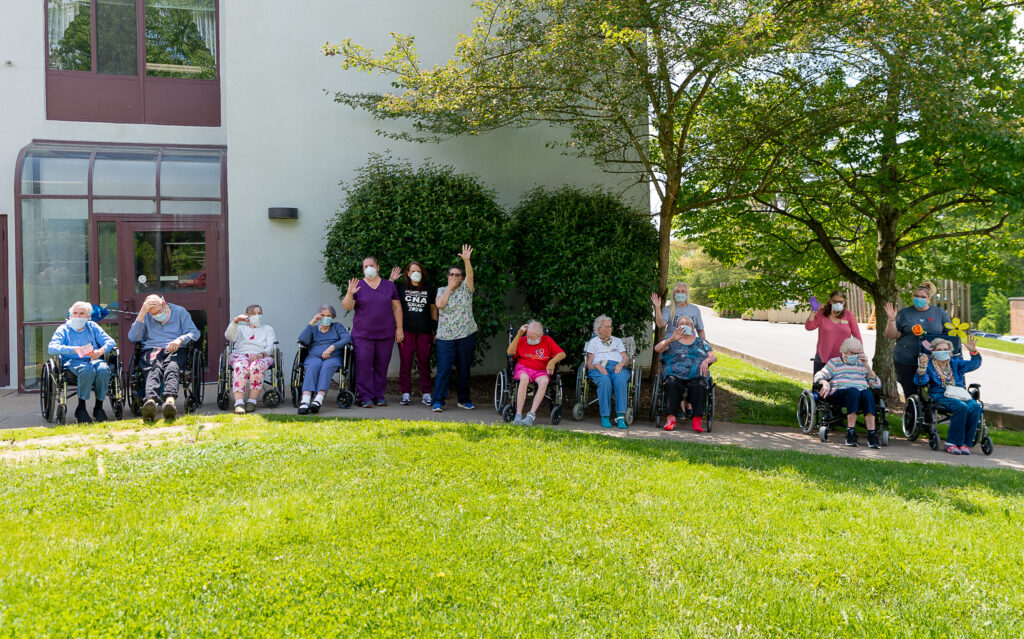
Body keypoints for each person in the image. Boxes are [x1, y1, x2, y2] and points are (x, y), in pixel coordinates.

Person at [127, 294, 201, 423]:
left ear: (164, 303)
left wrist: (180, 339)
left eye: (158, 312)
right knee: (153, 368)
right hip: (153, 348)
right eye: (152, 314)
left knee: (172, 367)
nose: (156, 316)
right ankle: (150, 401)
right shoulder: (145, 315)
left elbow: (194, 332)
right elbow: (133, 337)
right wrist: (142, 314)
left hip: (175, 348)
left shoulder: (179, 312)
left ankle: (170, 401)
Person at [342, 256, 402, 408]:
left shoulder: (389, 286)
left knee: (382, 366)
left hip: (386, 334)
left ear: (378, 267)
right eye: (365, 266)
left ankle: (379, 396)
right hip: (363, 335)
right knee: (364, 366)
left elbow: (397, 308)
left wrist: (399, 328)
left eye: (371, 265)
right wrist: (349, 293)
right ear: (362, 270)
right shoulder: (358, 286)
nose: (368, 268)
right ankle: (365, 397)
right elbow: (347, 306)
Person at [47, 301, 117, 423]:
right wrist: (74, 349)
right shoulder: (63, 329)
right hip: (72, 362)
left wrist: (99, 352)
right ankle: (81, 407)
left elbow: (110, 342)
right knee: (86, 370)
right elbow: (52, 347)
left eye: (82, 313)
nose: (78, 316)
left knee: (103, 370)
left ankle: (99, 407)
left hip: (93, 359)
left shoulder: (92, 327)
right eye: (75, 313)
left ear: (88, 317)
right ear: (70, 315)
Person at [914, 337, 983, 455]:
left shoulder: (955, 363)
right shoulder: (929, 364)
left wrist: (973, 352)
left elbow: (974, 364)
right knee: (961, 407)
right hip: (940, 393)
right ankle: (951, 443)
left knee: (976, 407)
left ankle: (964, 443)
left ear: (950, 351)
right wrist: (922, 370)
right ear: (933, 352)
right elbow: (921, 382)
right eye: (939, 349)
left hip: (959, 393)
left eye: (945, 349)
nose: (942, 351)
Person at [884, 281, 951, 399]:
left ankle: (928, 416)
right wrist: (891, 319)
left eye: (923, 297)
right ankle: (911, 414)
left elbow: (949, 335)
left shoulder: (939, 313)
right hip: (906, 359)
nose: (919, 298)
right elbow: (893, 335)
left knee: (929, 393)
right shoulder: (904, 313)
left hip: (932, 361)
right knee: (911, 393)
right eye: (916, 296)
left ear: (929, 298)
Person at [813, 337, 882, 448]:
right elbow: (819, 375)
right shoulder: (834, 362)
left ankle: (872, 434)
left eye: (859, 353)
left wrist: (867, 366)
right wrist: (824, 382)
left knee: (868, 393)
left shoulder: (861, 364)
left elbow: (876, 385)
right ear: (845, 352)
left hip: (860, 393)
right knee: (853, 392)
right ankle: (850, 432)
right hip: (840, 393)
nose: (857, 356)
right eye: (854, 353)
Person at [432, 245, 478, 412]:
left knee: (464, 369)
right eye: (451, 274)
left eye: (457, 275)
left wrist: (467, 261)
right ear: (447, 277)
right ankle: (438, 401)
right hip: (445, 337)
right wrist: (450, 289)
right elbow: (440, 305)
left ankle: (464, 400)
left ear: (461, 278)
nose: (454, 277)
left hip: (466, 335)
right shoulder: (442, 290)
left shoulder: (467, 289)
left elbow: (471, 276)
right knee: (444, 369)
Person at [653, 315, 717, 432]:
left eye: (688, 324)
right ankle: (671, 419)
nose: (685, 326)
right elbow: (657, 349)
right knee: (671, 383)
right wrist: (671, 339)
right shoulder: (671, 340)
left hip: (696, 375)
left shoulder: (701, 342)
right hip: (675, 374)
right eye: (682, 324)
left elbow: (714, 356)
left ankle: (697, 420)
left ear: (692, 327)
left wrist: (706, 360)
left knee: (701, 385)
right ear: (677, 327)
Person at [389, 261, 437, 406]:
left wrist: (435, 328)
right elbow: (391, 302)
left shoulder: (429, 288)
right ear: (408, 273)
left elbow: (434, 309)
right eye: (413, 270)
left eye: (419, 271)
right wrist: (391, 281)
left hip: (425, 332)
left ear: (422, 273)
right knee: (406, 363)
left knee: (424, 362)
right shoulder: (401, 287)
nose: (416, 273)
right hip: (406, 332)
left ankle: (427, 394)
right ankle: (405, 394)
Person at [506, 320, 566, 425]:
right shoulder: (522, 339)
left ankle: (531, 415)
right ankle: (518, 415)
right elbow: (510, 352)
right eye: (528, 336)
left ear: (540, 335)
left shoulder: (547, 340)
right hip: (523, 367)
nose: (530, 339)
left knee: (544, 381)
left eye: (533, 337)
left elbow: (562, 354)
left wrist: (552, 362)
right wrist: (519, 334)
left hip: (541, 369)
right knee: (524, 378)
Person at [296, 305, 352, 414]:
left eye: (329, 316)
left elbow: (347, 338)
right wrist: (313, 321)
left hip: (333, 356)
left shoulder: (337, 327)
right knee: (312, 366)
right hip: (314, 356)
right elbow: (302, 339)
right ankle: (305, 400)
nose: (326, 318)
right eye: (323, 315)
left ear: (333, 317)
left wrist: (331, 348)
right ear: (319, 316)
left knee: (327, 367)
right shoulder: (314, 329)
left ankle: (318, 399)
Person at [224, 304, 277, 414]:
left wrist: (260, 355)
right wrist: (235, 321)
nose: (257, 316)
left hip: (261, 355)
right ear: (247, 316)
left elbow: (271, 347)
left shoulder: (268, 329)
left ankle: (251, 401)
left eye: (259, 313)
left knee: (256, 366)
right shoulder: (240, 329)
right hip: (240, 354)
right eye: (254, 314)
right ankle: (239, 403)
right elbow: (229, 336)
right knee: (241, 366)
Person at [584, 315, 631, 429]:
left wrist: (621, 363)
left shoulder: (618, 341)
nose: (610, 329)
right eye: (606, 327)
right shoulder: (593, 342)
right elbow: (588, 364)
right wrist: (596, 365)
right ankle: (605, 416)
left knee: (620, 380)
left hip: (617, 367)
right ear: (599, 329)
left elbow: (627, 359)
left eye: (610, 327)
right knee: (604, 381)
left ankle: (620, 417)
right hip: (599, 368)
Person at [805, 289, 863, 373]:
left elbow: (856, 334)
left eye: (841, 302)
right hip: (823, 357)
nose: (839, 304)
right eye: (836, 302)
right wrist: (814, 311)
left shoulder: (848, 315)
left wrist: (860, 352)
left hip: (843, 358)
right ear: (830, 301)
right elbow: (809, 327)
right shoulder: (822, 313)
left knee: (840, 385)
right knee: (820, 384)